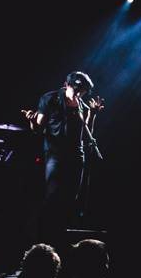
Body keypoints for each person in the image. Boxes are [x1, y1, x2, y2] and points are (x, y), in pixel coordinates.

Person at [22, 71, 104, 241]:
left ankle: (58, 235)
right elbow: (38, 128)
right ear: (66, 85)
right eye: (77, 89)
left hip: (76, 155)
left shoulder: (83, 106)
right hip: (55, 154)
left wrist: (93, 114)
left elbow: (86, 134)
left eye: (83, 91)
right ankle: (42, 236)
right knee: (52, 195)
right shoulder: (50, 99)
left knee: (70, 197)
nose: (80, 93)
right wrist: (31, 120)